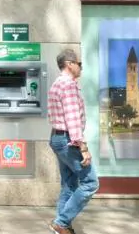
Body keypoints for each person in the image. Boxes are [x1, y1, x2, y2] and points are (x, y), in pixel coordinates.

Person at [47, 49, 99, 234]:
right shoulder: (68, 85)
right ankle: (61, 222)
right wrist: (83, 147)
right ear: (69, 64)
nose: (81, 68)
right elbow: (73, 119)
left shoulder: (56, 84)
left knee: (69, 184)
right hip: (68, 140)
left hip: (57, 137)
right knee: (90, 183)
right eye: (79, 64)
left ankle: (62, 227)